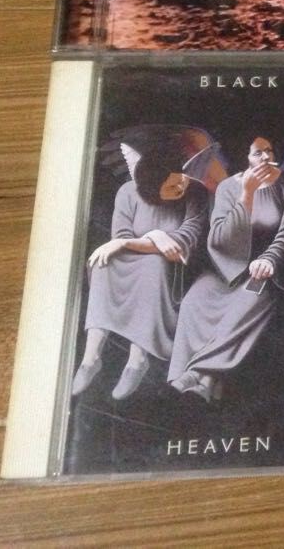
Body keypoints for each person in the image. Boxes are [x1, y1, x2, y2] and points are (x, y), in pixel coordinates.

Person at [167, 136, 284, 402]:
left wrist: (269, 259)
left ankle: (195, 373)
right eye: (257, 153)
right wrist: (247, 194)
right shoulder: (228, 188)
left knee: (248, 303)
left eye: (269, 151)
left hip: (265, 273)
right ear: (245, 158)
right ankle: (206, 383)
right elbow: (220, 239)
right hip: (226, 269)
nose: (265, 157)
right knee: (195, 300)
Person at [73, 144, 208, 400]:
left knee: (153, 265)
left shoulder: (196, 192)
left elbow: (184, 240)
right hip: (133, 255)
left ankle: (137, 360)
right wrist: (149, 239)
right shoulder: (127, 192)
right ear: (151, 189)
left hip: (173, 268)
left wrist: (147, 238)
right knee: (103, 263)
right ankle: (91, 358)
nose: (180, 187)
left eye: (181, 180)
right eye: (172, 186)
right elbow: (120, 236)